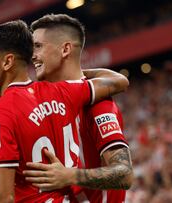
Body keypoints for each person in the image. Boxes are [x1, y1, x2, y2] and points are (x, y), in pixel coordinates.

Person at [0, 20, 129, 202]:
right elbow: (118, 81)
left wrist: (71, 176)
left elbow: (2, 197)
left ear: (7, 62)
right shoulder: (63, 92)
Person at [23, 14, 133, 203]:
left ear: (65, 49)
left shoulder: (97, 104)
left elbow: (124, 174)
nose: (32, 55)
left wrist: (69, 176)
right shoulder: (55, 104)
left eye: (38, 46)